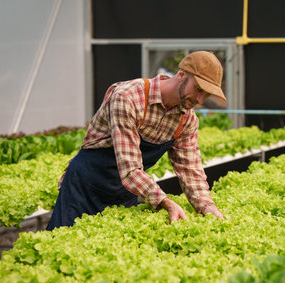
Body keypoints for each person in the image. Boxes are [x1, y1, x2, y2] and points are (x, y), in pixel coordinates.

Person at [46, 51, 225, 230]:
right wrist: (166, 202)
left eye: (207, 95)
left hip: (126, 191)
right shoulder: (128, 97)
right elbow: (130, 168)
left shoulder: (187, 120)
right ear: (181, 75)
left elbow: (190, 170)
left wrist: (207, 207)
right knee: (67, 245)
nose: (200, 100)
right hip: (85, 187)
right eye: (199, 89)